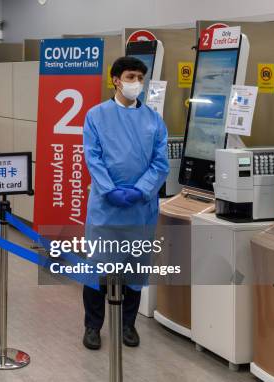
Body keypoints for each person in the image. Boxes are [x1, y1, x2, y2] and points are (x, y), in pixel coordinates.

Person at [82, 56, 169, 349]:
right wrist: (110, 190)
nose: (137, 84)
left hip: (139, 209)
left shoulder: (154, 120)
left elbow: (160, 163)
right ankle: (93, 326)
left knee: (134, 271)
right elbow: (93, 157)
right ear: (116, 80)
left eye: (140, 78)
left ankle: (127, 325)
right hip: (106, 209)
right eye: (131, 77)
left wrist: (140, 191)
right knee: (98, 269)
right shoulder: (96, 115)